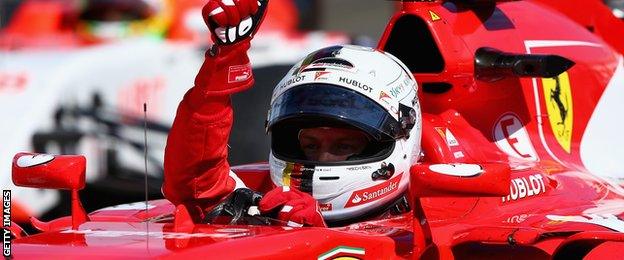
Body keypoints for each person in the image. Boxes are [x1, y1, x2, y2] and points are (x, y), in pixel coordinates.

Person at [163, 0, 422, 227]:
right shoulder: (271, 211)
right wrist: (225, 59)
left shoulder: (431, 223)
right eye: (310, 145)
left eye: (344, 145)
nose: (323, 157)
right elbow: (196, 185)